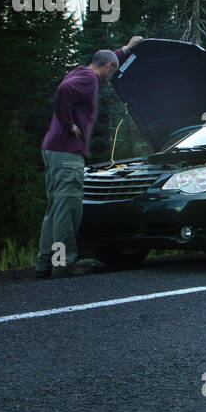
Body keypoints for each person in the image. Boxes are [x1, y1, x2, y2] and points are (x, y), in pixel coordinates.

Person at [34, 37, 143, 278]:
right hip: (67, 153)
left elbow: (108, 59)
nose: (110, 77)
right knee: (68, 209)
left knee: (55, 208)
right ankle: (63, 264)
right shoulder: (89, 79)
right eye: (112, 71)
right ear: (109, 67)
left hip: (53, 150)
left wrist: (126, 49)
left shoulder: (81, 71)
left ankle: (45, 263)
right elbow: (63, 91)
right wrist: (68, 123)